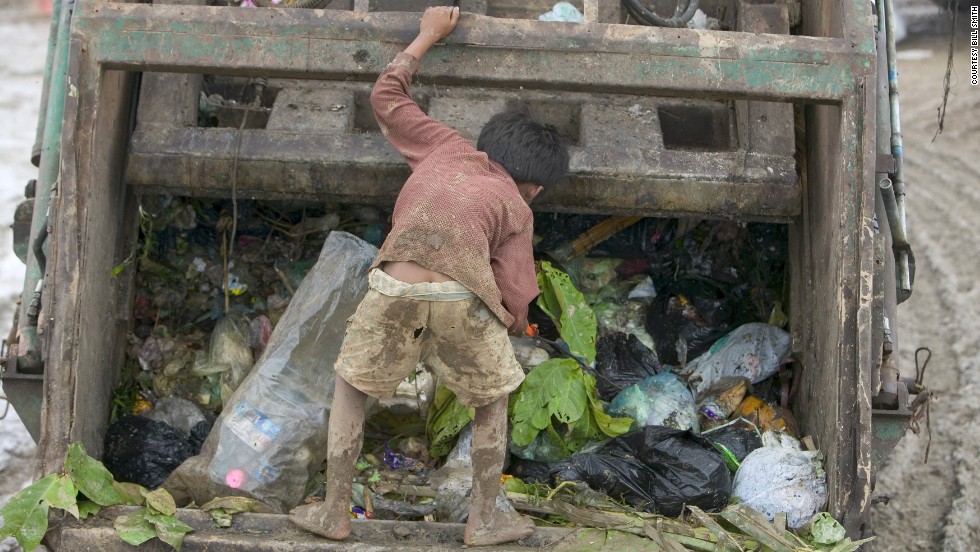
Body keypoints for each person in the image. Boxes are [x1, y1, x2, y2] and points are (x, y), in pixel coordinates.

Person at [288, 5, 568, 547]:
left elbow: (386, 98)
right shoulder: (517, 205)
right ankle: (484, 519)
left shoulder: (445, 146)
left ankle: (335, 512)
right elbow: (516, 295)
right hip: (461, 297)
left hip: (394, 286)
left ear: (488, 144)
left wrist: (426, 37)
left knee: (351, 388)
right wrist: (517, 324)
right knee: (491, 401)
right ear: (535, 185)